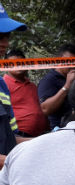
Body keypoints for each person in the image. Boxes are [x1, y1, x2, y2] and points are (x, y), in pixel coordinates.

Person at [0, 4, 26, 168]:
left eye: (7, 36)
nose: (5, 43)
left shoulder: (2, 84)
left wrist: (49, 141)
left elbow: (11, 139)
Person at [3, 49, 49, 137]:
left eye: (21, 62)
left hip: (39, 136)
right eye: (13, 63)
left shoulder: (32, 86)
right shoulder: (3, 84)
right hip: (18, 137)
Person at [38, 43, 75, 130]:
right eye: (68, 61)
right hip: (58, 130)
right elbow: (45, 109)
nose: (72, 65)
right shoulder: (49, 80)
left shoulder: (74, 78)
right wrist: (66, 87)